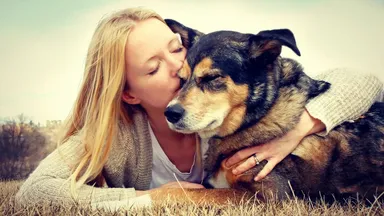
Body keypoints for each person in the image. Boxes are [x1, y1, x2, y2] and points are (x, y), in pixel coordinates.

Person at [16, 7, 383, 210]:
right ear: (128, 93)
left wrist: (303, 127)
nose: (179, 68)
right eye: (152, 67)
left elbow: (364, 82)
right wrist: (154, 198)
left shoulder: (232, 108)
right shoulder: (120, 136)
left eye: (175, 49)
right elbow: (34, 195)